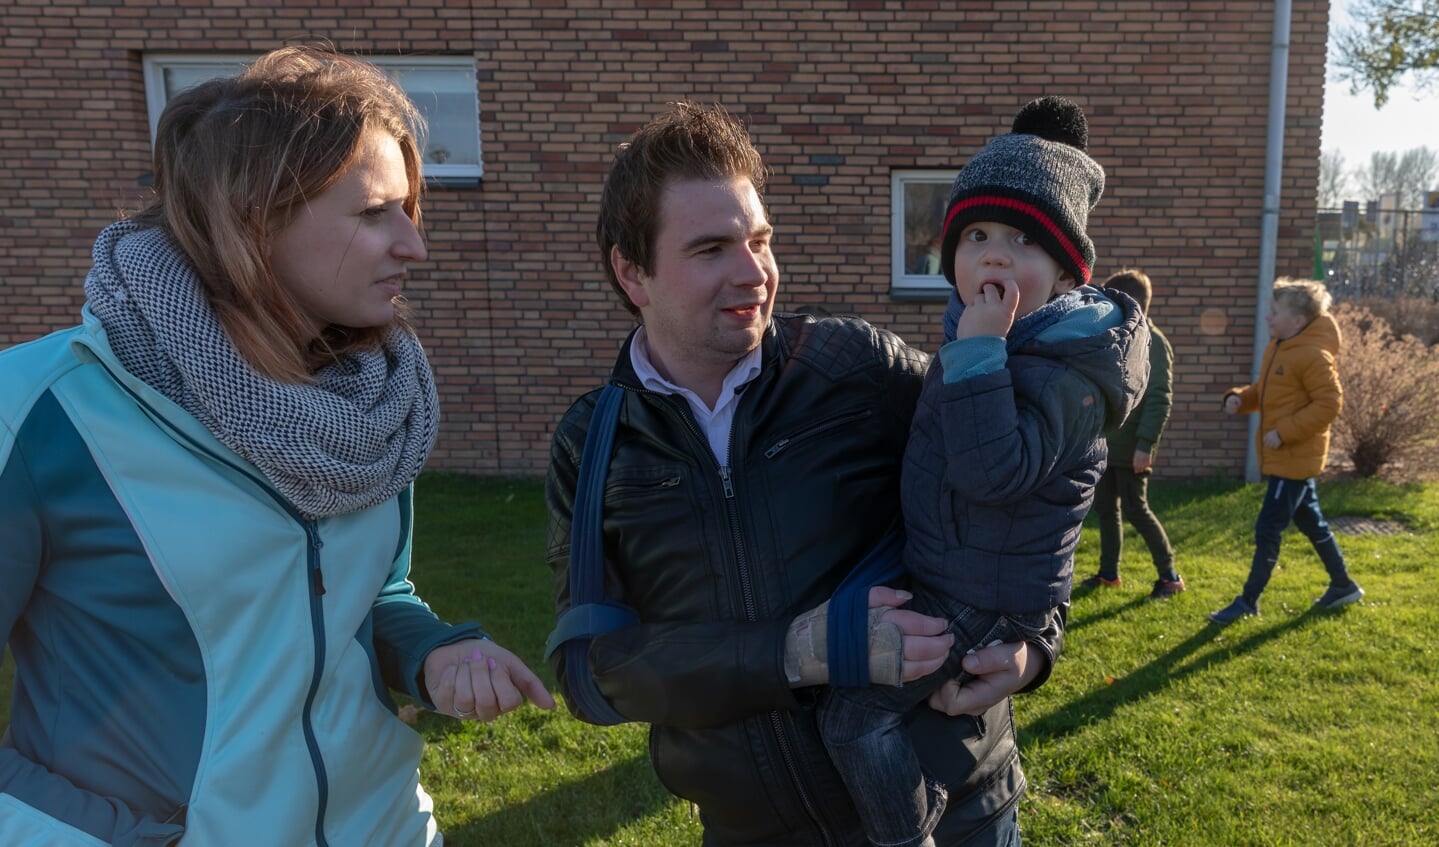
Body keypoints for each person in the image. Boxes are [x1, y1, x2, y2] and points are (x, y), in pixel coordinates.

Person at [0, 45, 553, 847]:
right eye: (374, 212)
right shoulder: (46, 409)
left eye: (409, 207)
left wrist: (434, 654)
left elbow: (366, 596)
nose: (414, 244)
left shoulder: (367, 404)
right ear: (253, 220)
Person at [545, 101, 1067, 847]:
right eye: (710, 249)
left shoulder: (856, 367)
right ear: (632, 272)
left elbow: (1018, 481)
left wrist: (1035, 642)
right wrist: (797, 650)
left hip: (957, 815)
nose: (753, 272)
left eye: (759, 240)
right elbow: (590, 674)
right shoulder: (591, 444)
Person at [816, 97, 1151, 847]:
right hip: (959, 571)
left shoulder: (1062, 372)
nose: (993, 255)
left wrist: (975, 353)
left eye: (1022, 241)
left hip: (988, 596)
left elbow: (989, 469)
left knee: (854, 718)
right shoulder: (1000, 345)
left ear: (1066, 275)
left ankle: (907, 835)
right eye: (975, 235)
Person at [1209, 277, 1364, 624]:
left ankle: (1248, 601)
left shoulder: (1312, 354)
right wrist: (1240, 398)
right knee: (1312, 523)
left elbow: (1330, 403)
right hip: (1286, 457)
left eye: (1275, 312)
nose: (1268, 318)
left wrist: (1284, 432)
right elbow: (1267, 391)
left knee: (1268, 530)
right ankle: (1343, 584)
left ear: (1298, 320)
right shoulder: (1281, 345)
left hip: (1292, 458)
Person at [1080, 268, 1184, 599]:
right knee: (1107, 510)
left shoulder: (1154, 343)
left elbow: (1159, 398)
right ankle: (1109, 574)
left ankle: (1170, 576)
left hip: (1133, 450)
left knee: (1137, 510)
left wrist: (1145, 445)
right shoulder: (1120, 337)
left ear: (1132, 304)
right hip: (1107, 446)